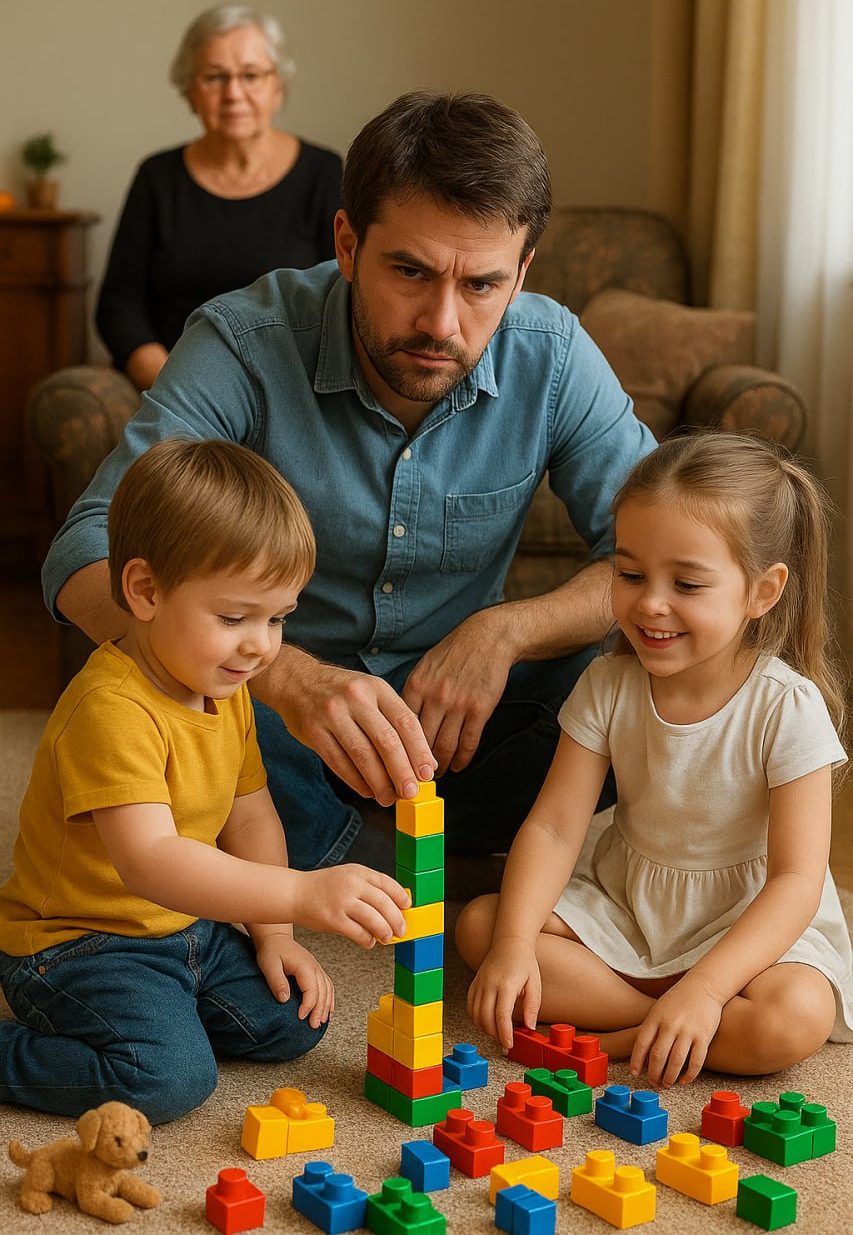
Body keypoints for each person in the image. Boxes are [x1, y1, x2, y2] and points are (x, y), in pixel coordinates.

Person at [43, 90, 656, 871]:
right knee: (162, 699)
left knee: (637, 673)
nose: (441, 322)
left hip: (463, 718)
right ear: (346, 243)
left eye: (481, 286)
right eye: (410, 271)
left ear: (521, 271)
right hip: (271, 717)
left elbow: (660, 559)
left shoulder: (554, 354)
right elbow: (81, 557)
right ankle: (429, 860)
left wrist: (505, 633)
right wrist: (285, 677)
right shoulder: (242, 341)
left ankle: (374, 859)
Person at [0, 440, 409, 1125]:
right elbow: (152, 862)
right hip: (78, 942)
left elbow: (250, 819)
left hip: (188, 926)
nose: (261, 646)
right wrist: (302, 892)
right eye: (234, 618)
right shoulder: (112, 709)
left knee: (292, 1023)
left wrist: (275, 933)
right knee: (166, 1079)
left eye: (277, 618)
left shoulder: (223, 686)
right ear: (145, 591)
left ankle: (165, 1007)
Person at [459, 431, 853, 1087]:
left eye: (687, 583)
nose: (649, 603)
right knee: (481, 929)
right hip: (628, 905)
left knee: (792, 1019)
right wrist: (511, 948)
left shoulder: (788, 707)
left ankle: (635, 1030)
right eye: (629, 573)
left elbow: (793, 881)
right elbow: (555, 827)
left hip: (745, 926)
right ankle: (661, 1020)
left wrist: (704, 990)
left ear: (761, 592)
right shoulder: (606, 686)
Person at [96, 3, 342, 390]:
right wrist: (175, 385)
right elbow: (119, 305)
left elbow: (344, 294)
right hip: (174, 385)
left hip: (289, 386)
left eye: (251, 75)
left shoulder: (323, 173)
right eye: (215, 77)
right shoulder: (157, 177)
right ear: (190, 91)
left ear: (278, 87)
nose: (233, 93)